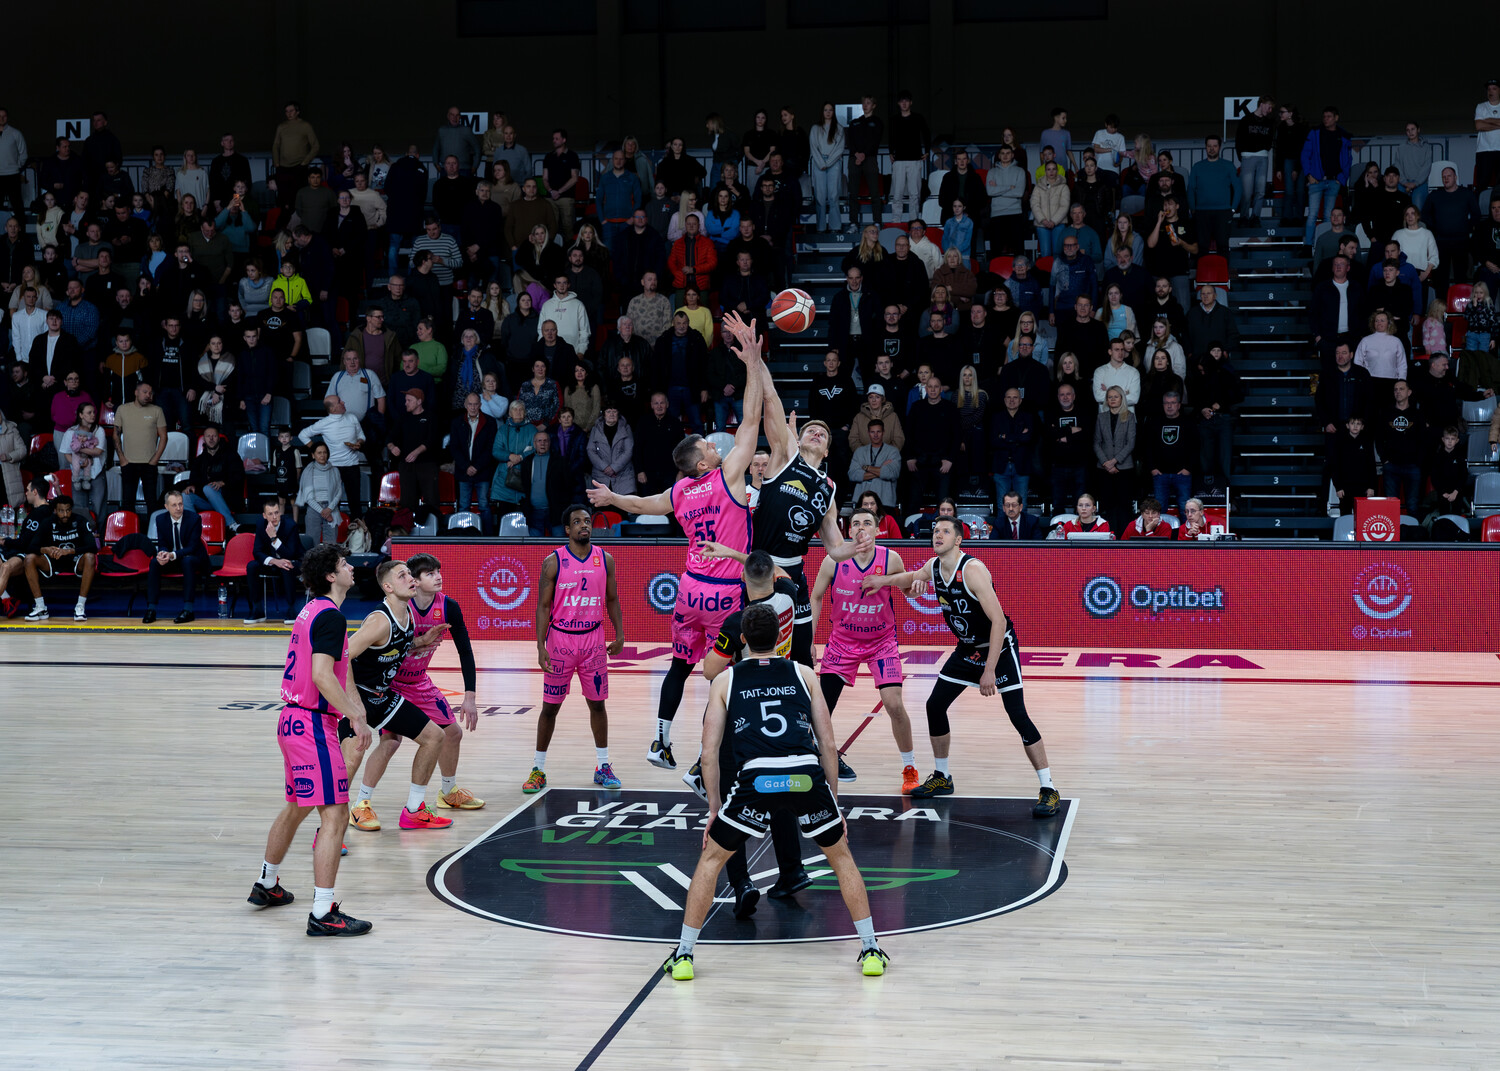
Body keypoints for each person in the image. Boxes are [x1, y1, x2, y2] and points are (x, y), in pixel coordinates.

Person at [662, 603, 889, 982]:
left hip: (756, 780)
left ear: (743, 640)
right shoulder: (805, 673)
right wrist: (833, 803)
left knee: (711, 860)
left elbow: (709, 754)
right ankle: (870, 949)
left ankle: (684, 955)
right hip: (805, 777)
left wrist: (714, 809)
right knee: (841, 857)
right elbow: (828, 745)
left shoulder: (725, 681)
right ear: (782, 637)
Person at [585, 313, 765, 769]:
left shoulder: (681, 491)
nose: (716, 446)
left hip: (689, 590)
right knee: (729, 675)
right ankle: (712, 759)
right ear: (702, 463)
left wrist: (611, 497)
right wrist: (752, 363)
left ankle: (660, 742)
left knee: (679, 667)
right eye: (709, 446)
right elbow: (751, 420)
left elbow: (641, 504)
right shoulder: (727, 476)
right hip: (725, 593)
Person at [863, 517, 1059, 814]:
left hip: (998, 648)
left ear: (958, 540)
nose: (937, 535)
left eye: (945, 531)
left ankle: (1049, 788)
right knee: (935, 705)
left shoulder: (972, 570)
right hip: (967, 649)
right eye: (935, 531)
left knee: (1018, 714)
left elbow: (999, 621)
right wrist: (883, 581)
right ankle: (942, 776)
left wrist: (990, 670)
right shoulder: (933, 567)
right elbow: (911, 578)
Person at [249, 546, 372, 935]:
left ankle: (267, 883)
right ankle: (323, 912)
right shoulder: (331, 616)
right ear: (331, 576)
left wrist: (352, 711)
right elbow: (322, 675)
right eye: (344, 564)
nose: (352, 568)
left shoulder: (311, 610)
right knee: (335, 814)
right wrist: (354, 716)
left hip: (291, 722)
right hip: (312, 725)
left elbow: (332, 669)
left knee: (296, 807)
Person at [349, 553, 487, 831]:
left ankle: (444, 794)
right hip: (384, 687)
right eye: (429, 573)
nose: (438, 577)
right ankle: (360, 804)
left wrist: (470, 695)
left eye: (438, 571)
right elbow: (347, 656)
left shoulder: (443, 607)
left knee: (450, 733)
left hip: (415, 683)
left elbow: (464, 650)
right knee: (388, 743)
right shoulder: (392, 611)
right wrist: (353, 706)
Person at [513, 505, 631, 794]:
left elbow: (612, 599)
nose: (584, 525)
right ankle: (538, 769)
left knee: (598, 705)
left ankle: (603, 766)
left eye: (587, 521)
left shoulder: (605, 559)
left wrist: (620, 634)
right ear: (567, 529)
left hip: (593, 640)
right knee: (550, 708)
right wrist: (540, 645)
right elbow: (543, 606)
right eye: (577, 522)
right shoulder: (553, 561)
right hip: (561, 641)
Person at [336, 560, 455, 835]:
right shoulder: (380, 620)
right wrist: (355, 708)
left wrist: (422, 641)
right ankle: (332, 830)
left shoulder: (407, 613)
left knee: (434, 737)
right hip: (356, 696)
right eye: (403, 576)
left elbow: (396, 644)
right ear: (388, 587)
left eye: (410, 574)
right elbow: (343, 657)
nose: (411, 579)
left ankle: (414, 811)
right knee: (352, 760)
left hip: (381, 696)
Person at [808, 506, 920, 795]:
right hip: (842, 642)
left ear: (876, 529)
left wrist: (915, 586)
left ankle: (909, 768)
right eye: (855, 523)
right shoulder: (833, 561)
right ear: (848, 530)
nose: (861, 527)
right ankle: (818, 760)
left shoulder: (890, 558)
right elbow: (816, 597)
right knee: (822, 708)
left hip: (881, 643)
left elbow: (907, 588)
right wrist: (810, 640)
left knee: (894, 705)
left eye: (867, 523)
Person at [22, 494, 98, 622]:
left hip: (75, 560)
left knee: (90, 557)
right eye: (61, 511)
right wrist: (46, 549)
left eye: (68, 510)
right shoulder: (47, 522)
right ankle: (41, 607)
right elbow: (30, 547)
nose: (65, 514)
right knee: (29, 559)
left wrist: (69, 551)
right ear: (55, 511)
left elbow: (93, 547)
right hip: (52, 561)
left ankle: (80, 607)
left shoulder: (80, 521)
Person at [244, 498, 304, 625]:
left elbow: (290, 554)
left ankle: (291, 609)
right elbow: (257, 552)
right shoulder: (260, 524)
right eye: (270, 514)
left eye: (276, 513)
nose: (274, 517)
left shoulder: (290, 525)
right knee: (252, 566)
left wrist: (274, 539)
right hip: (273, 562)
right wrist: (274, 561)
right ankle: (257, 609)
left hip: (294, 561)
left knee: (286, 565)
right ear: (264, 516)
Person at [113, 381, 168, 515]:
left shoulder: (157, 410)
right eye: (145, 392)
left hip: (149, 463)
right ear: (136, 393)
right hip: (128, 463)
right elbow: (115, 435)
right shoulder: (122, 409)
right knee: (127, 502)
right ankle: (129, 528)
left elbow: (164, 437)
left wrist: (155, 460)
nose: (148, 395)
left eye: (150, 393)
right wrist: (122, 458)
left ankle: (152, 528)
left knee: (152, 502)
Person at [1093, 385, 1137, 531]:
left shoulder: (1129, 416)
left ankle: (1123, 538)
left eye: (1115, 396)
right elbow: (1096, 442)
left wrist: (1114, 461)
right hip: (1104, 468)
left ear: (1121, 398)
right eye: (1109, 397)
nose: (1112, 399)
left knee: (1124, 506)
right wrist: (1106, 462)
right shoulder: (1101, 417)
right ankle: (1106, 535)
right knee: (1107, 505)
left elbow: (1131, 443)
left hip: (1124, 468)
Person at [847, 417, 901, 509]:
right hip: (861, 501)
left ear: (883, 432)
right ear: (868, 433)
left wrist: (867, 468)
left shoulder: (893, 451)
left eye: (878, 432)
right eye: (872, 432)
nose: (875, 435)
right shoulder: (859, 452)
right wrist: (881, 469)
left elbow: (892, 474)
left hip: (885, 501)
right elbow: (853, 475)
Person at [1328, 415, 1377, 515]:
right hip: (1345, 488)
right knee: (1345, 515)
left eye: (1358, 424)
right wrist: (1338, 487)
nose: (1355, 426)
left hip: (1363, 488)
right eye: (1352, 423)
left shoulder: (1367, 442)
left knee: (1363, 516)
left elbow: (1371, 466)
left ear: (1362, 427)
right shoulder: (1340, 442)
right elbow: (1335, 466)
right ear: (1347, 425)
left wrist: (1371, 487)